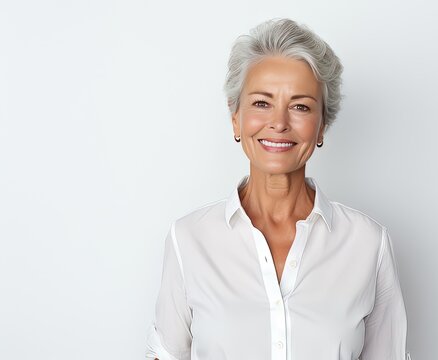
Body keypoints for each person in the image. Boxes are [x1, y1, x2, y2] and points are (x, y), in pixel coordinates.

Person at [145, 17, 411, 360]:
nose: (280, 122)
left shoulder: (368, 244)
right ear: (235, 118)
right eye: (261, 103)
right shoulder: (188, 239)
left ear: (321, 127)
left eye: (300, 106)